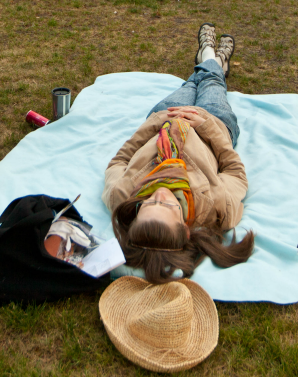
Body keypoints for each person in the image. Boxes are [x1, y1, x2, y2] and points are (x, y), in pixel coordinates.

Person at [103, 23, 254, 284]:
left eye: (148, 204)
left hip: (165, 114)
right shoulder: (215, 209)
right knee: (210, 81)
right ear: (185, 230)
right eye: (167, 205)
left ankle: (210, 58)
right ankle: (212, 58)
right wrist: (205, 125)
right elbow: (234, 171)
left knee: (192, 81)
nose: (159, 194)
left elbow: (121, 159)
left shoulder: (123, 196)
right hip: (213, 122)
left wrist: (157, 121)